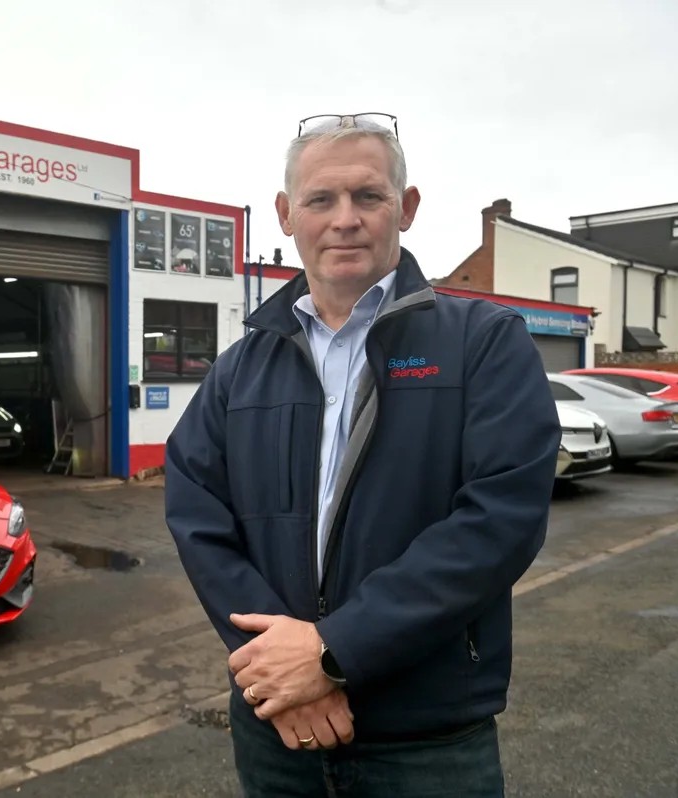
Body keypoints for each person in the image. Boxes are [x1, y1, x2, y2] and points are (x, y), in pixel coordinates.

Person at [163, 113, 561, 797]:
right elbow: (197, 511)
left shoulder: (484, 342)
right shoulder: (239, 369)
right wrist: (278, 669)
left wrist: (333, 651)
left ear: (404, 209)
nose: (344, 219)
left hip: (427, 738)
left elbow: (500, 520)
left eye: (367, 196)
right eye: (321, 199)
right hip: (278, 729)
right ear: (287, 216)